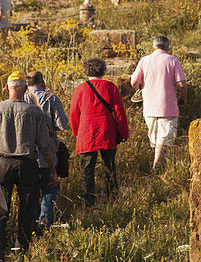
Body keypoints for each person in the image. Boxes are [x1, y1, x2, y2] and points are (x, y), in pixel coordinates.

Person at [0, 71, 58, 262]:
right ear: (26, 90)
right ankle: (20, 252)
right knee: (27, 211)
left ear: (7, 88)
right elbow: (44, 145)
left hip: (1, 164)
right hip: (27, 165)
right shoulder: (34, 112)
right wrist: (52, 171)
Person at [69, 58, 129, 205]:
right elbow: (119, 112)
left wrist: (76, 132)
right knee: (109, 166)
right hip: (107, 131)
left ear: (86, 71)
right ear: (103, 70)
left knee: (87, 169)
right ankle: (112, 198)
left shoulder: (80, 89)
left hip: (86, 132)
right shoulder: (110, 87)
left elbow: (73, 114)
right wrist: (123, 132)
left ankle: (88, 201)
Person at [130, 34, 187, 173]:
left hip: (149, 108)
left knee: (155, 140)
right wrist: (183, 97)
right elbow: (181, 83)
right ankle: (157, 168)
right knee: (165, 139)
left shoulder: (144, 61)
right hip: (168, 107)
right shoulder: (173, 60)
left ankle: (157, 168)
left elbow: (134, 82)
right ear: (167, 46)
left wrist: (141, 86)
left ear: (153, 46)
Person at [24, 71, 70, 228]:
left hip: (27, 155)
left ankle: (33, 223)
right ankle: (44, 219)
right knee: (51, 186)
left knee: (33, 191)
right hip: (48, 153)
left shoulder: (21, 100)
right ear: (42, 82)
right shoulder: (51, 98)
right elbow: (62, 124)